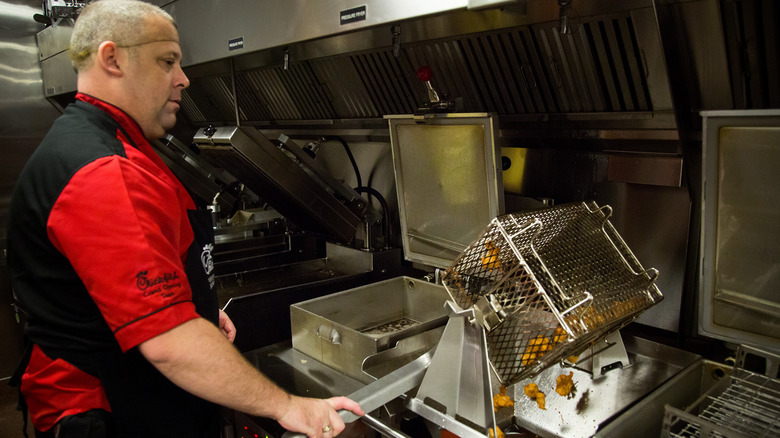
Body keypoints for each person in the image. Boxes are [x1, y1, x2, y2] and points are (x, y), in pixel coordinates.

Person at [6, 1, 364, 437]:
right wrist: (287, 406)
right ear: (112, 58)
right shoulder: (104, 170)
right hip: (113, 410)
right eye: (168, 61)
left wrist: (198, 307)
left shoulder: (102, 142)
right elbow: (170, 344)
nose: (183, 78)